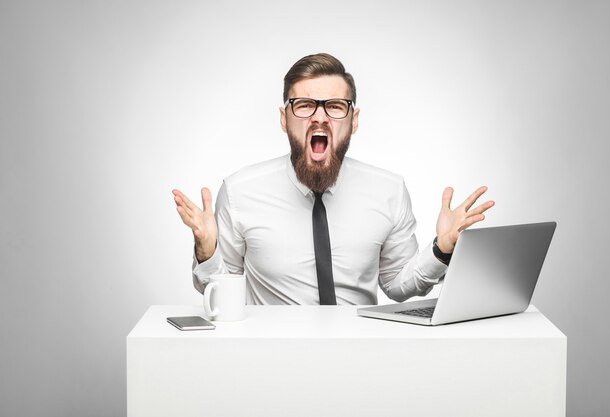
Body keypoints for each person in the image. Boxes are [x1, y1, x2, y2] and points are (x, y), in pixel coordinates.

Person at [172, 53, 494, 305]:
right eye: (305, 105)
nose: (320, 116)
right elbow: (217, 292)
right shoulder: (241, 192)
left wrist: (442, 249)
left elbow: (397, 285)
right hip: (274, 359)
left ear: (353, 121)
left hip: (361, 360)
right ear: (284, 119)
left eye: (336, 106)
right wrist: (207, 250)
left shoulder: (389, 191)